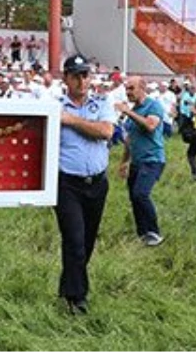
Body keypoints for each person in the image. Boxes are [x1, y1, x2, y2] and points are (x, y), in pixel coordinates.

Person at [54, 54, 116, 315]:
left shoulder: (101, 102)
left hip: (97, 182)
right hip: (67, 183)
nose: (82, 81)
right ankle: (77, 298)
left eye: (85, 75)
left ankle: (68, 286)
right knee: (75, 239)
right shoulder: (55, 105)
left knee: (87, 241)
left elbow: (106, 132)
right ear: (65, 78)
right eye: (76, 75)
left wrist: (71, 121)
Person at [116, 76, 167, 247]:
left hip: (153, 159)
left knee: (141, 194)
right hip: (137, 161)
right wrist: (124, 161)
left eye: (131, 88)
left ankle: (154, 232)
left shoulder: (153, 106)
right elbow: (130, 140)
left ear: (142, 88)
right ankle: (142, 233)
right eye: (126, 89)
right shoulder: (133, 111)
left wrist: (128, 112)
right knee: (134, 197)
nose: (128, 92)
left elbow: (150, 126)